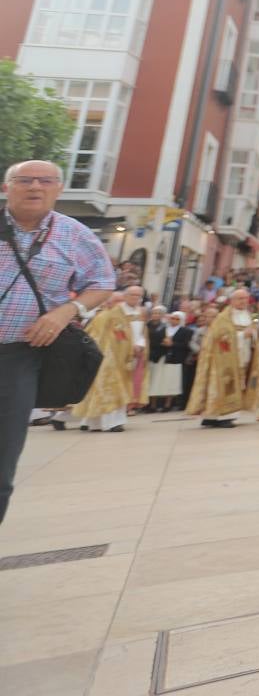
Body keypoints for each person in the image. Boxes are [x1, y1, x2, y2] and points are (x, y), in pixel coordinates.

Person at [1, 161, 119, 520]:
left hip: (20, 357)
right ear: (7, 188)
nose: (35, 186)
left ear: (58, 189)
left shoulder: (76, 235)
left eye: (45, 180)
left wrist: (66, 311)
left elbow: (101, 282)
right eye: (24, 180)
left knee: (3, 456)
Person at [187, 288, 259, 427]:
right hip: (225, 358)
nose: (243, 301)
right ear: (232, 300)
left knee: (238, 385)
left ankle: (225, 415)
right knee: (221, 385)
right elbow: (219, 337)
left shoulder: (252, 315)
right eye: (240, 298)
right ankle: (219, 416)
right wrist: (241, 336)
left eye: (246, 298)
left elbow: (256, 329)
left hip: (244, 354)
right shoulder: (224, 316)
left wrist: (252, 336)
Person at [69, 293, 134, 432]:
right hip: (110, 361)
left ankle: (94, 422)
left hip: (100, 359)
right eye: (119, 301)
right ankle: (112, 423)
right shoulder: (113, 316)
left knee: (96, 391)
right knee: (111, 391)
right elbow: (121, 338)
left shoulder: (100, 316)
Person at [145, 308, 185, 412]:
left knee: (170, 382)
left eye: (177, 319)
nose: (174, 320)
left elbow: (185, 345)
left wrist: (173, 344)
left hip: (174, 359)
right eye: (172, 318)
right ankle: (153, 405)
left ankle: (167, 405)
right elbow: (154, 341)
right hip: (160, 358)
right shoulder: (163, 329)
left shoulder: (185, 331)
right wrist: (163, 344)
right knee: (156, 381)